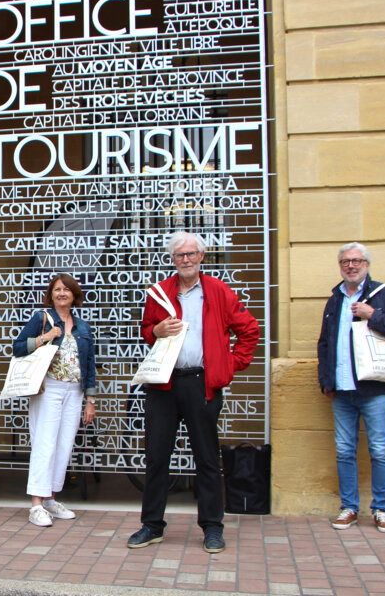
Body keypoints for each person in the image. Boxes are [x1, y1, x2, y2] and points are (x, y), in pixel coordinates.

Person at [128, 232, 259, 553]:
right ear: (173, 260)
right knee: (157, 456)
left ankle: (212, 527)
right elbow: (147, 329)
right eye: (179, 255)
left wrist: (229, 366)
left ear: (202, 256)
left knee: (207, 458)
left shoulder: (219, 291)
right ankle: (152, 525)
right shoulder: (159, 292)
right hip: (163, 385)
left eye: (191, 254)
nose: (185, 260)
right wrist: (155, 331)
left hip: (201, 384)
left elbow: (249, 330)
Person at [317, 242, 385, 533]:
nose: (351, 266)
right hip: (342, 390)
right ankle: (349, 508)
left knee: (380, 450)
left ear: (367, 265)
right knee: (344, 450)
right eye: (345, 261)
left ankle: (381, 509)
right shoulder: (335, 299)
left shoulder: (383, 294)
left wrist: (373, 315)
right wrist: (326, 381)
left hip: (374, 389)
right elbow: (324, 343)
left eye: (357, 260)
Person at [13, 273, 96, 527]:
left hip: (75, 391)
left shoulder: (83, 327)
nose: (62, 293)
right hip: (48, 388)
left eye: (66, 290)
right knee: (45, 443)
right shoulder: (42, 318)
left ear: (74, 295)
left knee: (64, 445)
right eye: (57, 290)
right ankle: (36, 504)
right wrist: (45, 338)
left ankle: (50, 499)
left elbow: (90, 363)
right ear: (50, 295)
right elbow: (17, 347)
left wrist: (90, 399)